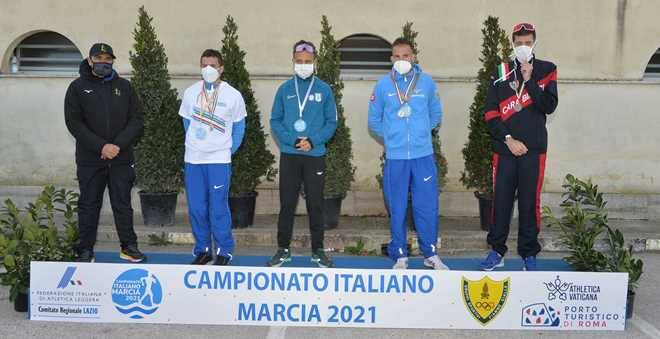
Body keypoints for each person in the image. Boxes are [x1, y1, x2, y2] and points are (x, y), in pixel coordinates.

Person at [480, 23, 558, 271]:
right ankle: (497, 251)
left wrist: (530, 79)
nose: (523, 47)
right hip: (505, 150)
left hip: (534, 150)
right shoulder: (500, 71)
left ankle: (528, 254)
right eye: (518, 42)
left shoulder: (546, 69)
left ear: (535, 42)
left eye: (527, 42)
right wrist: (508, 140)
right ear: (512, 43)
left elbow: (549, 105)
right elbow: (490, 112)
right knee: (500, 201)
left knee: (529, 203)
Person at [368, 37, 448, 270]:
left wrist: (423, 134)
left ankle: (430, 253)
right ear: (391, 59)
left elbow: (436, 114)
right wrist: (392, 138)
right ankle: (400, 253)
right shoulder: (383, 86)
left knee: (427, 205)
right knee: (398, 205)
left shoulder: (427, 83)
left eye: (406, 56)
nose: (402, 60)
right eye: (397, 56)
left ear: (413, 57)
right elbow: (374, 121)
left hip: (422, 156)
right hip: (396, 157)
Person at [64, 43, 145, 263]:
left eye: (107, 59)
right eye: (98, 58)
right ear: (90, 61)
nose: (103, 62)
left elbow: (137, 120)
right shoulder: (77, 88)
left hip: (121, 158)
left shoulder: (125, 87)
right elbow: (74, 123)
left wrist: (117, 145)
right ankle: (85, 249)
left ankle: (128, 247)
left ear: (112, 61)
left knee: (123, 205)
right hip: (91, 159)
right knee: (89, 204)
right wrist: (101, 146)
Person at [267, 40, 338, 268]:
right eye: (299, 61)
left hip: (314, 154)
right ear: (293, 61)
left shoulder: (324, 89)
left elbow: (332, 122)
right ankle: (283, 249)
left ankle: (318, 250)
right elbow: (275, 121)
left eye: (307, 62)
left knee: (315, 204)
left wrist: (313, 141)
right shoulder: (285, 89)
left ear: (314, 62)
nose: (303, 65)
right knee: (287, 204)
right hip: (290, 153)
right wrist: (293, 141)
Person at [179, 49, 246, 266]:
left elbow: (239, 128)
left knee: (218, 207)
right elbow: (187, 124)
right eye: (204, 65)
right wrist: (198, 144)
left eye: (212, 65)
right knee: (197, 207)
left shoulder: (233, 95)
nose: (208, 69)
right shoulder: (190, 93)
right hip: (194, 160)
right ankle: (203, 249)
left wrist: (226, 151)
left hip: (218, 161)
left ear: (221, 68)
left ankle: (224, 250)